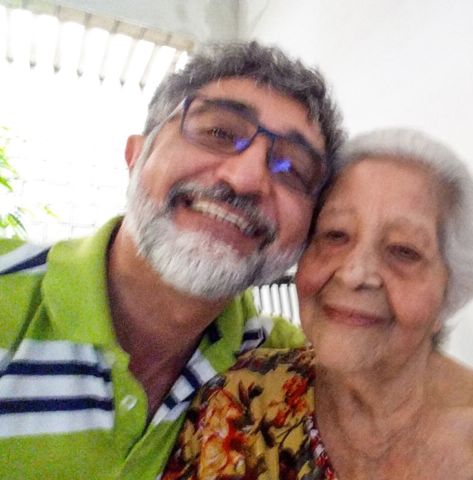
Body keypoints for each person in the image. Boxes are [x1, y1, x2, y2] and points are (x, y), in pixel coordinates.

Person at [162, 128, 473, 479]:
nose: (355, 273)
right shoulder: (240, 407)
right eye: (335, 235)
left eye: (404, 251)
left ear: (451, 291)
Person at [0, 41, 344, 479]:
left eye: (293, 169)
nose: (246, 179)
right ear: (135, 155)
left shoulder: (282, 366)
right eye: (219, 133)